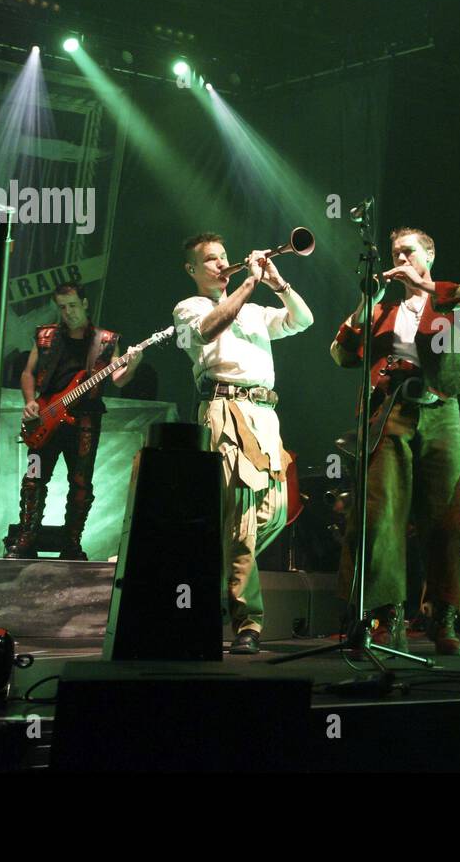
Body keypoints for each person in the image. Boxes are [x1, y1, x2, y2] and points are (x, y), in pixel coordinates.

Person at [331, 227, 460, 655]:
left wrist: (424, 286)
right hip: (391, 410)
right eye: (396, 252)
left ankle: (443, 615)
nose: (400, 258)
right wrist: (367, 301)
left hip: (440, 409)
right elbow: (342, 353)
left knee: (449, 513)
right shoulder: (382, 312)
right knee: (380, 514)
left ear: (429, 256)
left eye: (409, 252)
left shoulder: (450, 300)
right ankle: (385, 613)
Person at [173, 233, 313, 655]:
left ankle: (211, 587)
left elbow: (303, 320)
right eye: (209, 260)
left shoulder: (253, 310)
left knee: (276, 512)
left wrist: (277, 282)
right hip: (224, 410)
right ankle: (247, 623)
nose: (220, 265)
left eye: (223, 258)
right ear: (192, 270)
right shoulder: (191, 307)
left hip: (265, 416)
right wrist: (248, 283)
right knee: (242, 520)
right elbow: (208, 329)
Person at [8, 283, 142, 559]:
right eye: (62, 307)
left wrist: (134, 364)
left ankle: (71, 544)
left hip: (85, 423)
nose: (68, 312)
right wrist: (30, 401)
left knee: (81, 483)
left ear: (85, 304)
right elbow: (28, 373)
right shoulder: (45, 336)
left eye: (73, 306)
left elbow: (118, 380)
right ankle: (25, 538)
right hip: (44, 419)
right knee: (33, 478)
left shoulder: (106, 341)